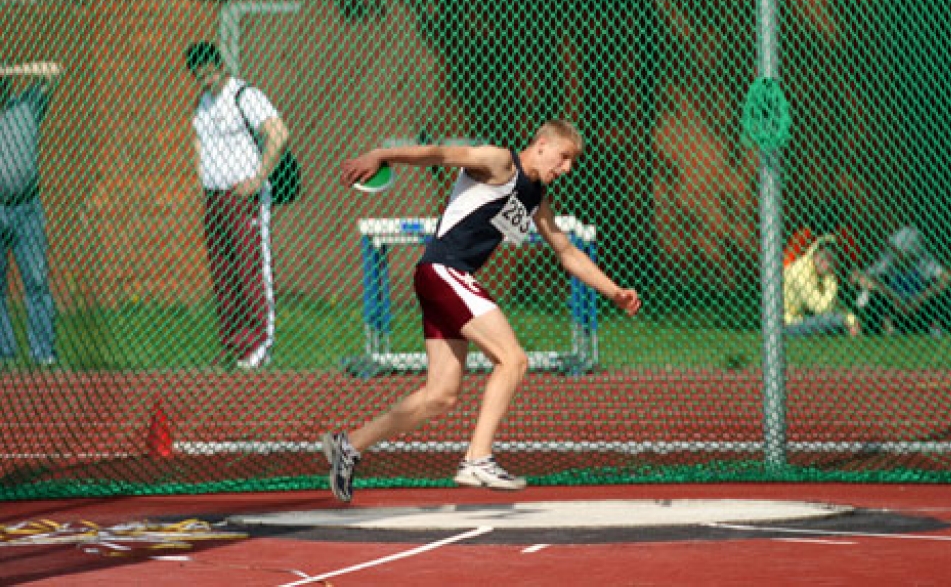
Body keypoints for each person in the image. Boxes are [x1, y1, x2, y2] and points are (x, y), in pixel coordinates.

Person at [323, 120, 641, 501]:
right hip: (444, 272)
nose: (567, 168)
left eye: (572, 162)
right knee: (513, 360)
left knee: (441, 395)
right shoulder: (499, 162)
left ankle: (349, 445)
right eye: (564, 157)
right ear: (542, 144)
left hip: (442, 279)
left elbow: (567, 251)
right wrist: (381, 154)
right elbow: (439, 154)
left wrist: (613, 291)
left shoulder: (534, 196)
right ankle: (477, 459)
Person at [186, 42, 291, 370]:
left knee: (250, 268)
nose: (205, 79)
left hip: (243, 197)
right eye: (198, 75)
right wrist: (202, 181)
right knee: (223, 272)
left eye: (209, 72)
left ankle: (259, 342)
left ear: (220, 65)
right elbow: (198, 142)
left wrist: (258, 178)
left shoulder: (244, 95)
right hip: (214, 197)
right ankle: (234, 343)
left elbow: (279, 134)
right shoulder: (202, 103)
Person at [0, 61, 63, 367]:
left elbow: (55, 71)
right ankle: (4, 352)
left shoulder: (27, 104)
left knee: (37, 280)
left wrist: (9, 71)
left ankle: (43, 352)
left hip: (28, 209)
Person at [851, 225, 951, 336]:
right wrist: (891, 295)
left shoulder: (923, 260)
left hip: (918, 309)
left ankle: (935, 328)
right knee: (873, 292)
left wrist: (920, 298)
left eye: (897, 249)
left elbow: (948, 277)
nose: (894, 251)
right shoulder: (889, 259)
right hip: (895, 308)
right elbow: (858, 276)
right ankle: (888, 329)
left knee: (942, 292)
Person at [783, 235, 860, 337]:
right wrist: (831, 278)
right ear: (814, 254)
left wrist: (852, 320)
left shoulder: (817, 272)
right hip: (785, 324)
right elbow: (822, 308)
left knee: (840, 319)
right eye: (823, 257)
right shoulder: (800, 271)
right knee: (835, 320)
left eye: (831, 258)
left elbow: (835, 305)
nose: (826, 263)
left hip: (801, 319)